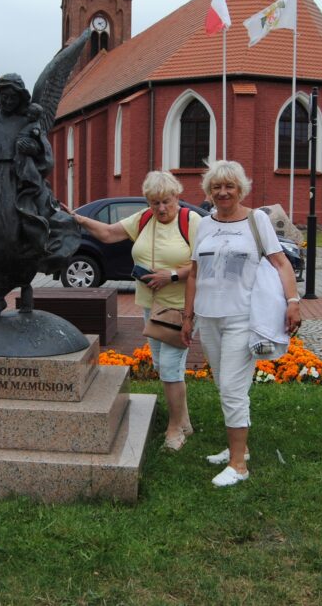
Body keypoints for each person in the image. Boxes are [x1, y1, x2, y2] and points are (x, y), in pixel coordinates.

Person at [180, 160, 301, 487]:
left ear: (240, 189)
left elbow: (281, 264)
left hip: (241, 318)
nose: (222, 193)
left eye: (229, 186)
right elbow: (194, 273)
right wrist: (187, 316)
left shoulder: (255, 220)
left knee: (233, 390)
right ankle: (240, 448)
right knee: (224, 385)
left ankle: (238, 466)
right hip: (208, 317)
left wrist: (293, 302)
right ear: (208, 191)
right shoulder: (204, 224)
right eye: (216, 187)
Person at [71, 171, 201, 450]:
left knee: (170, 367)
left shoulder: (191, 221)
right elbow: (107, 233)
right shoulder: (143, 219)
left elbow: (203, 265)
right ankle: (185, 420)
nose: (161, 209)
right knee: (162, 365)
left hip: (180, 306)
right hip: (150, 305)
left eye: (166, 201)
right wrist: (79, 219)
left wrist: (172, 276)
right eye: (155, 203)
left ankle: (175, 429)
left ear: (177, 196)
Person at [0, 74, 80, 326]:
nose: (7, 100)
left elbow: (45, 156)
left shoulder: (27, 121)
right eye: (4, 95)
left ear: (20, 98)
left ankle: (22, 287)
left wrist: (32, 148)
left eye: (13, 96)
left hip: (16, 181)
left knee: (18, 234)